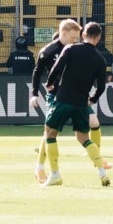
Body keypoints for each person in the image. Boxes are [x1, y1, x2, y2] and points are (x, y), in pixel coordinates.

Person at [40, 20, 111, 188]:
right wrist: (92, 99)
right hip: (81, 103)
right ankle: (102, 172)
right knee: (83, 138)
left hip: (63, 100)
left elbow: (56, 68)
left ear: (83, 34)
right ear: (98, 38)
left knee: (50, 134)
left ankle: (55, 175)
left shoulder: (70, 49)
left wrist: (50, 83)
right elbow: (101, 87)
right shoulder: (100, 59)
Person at [31, 18, 80, 183]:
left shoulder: (76, 49)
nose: (75, 40)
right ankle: (41, 168)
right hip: (55, 96)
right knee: (50, 131)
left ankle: (99, 162)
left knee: (91, 124)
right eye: (73, 37)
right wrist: (34, 94)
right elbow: (37, 72)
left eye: (77, 37)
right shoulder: (48, 51)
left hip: (73, 95)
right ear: (63, 33)